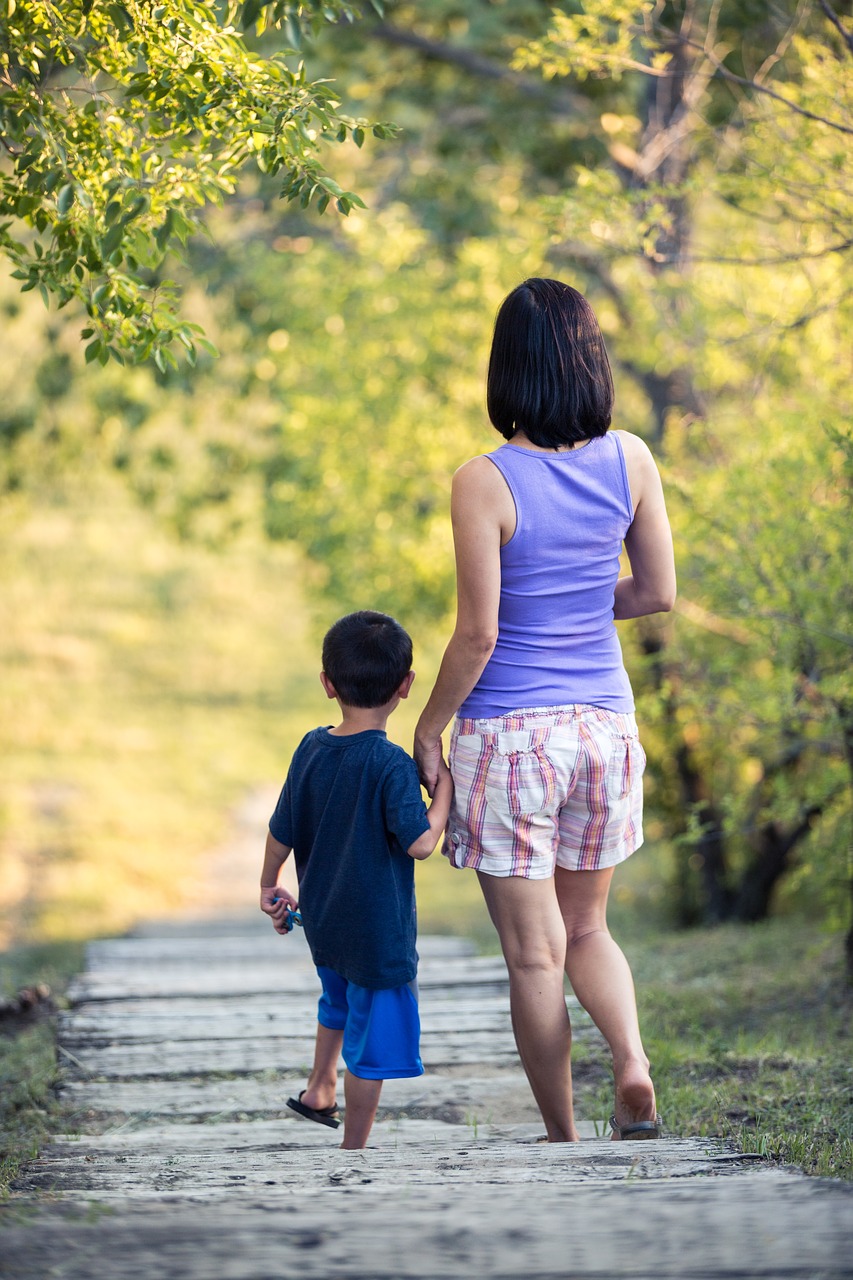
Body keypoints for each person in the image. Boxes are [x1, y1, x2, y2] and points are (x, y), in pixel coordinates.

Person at [413, 278, 676, 1143]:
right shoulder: (631, 458)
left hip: (512, 738)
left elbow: (479, 635)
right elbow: (656, 594)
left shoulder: (483, 480)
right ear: (588, 359)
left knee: (534, 956)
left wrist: (428, 728)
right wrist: (574, 600)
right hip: (604, 727)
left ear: (506, 370)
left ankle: (564, 1137)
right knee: (589, 927)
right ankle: (631, 1061)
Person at [261, 610, 453, 1150]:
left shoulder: (311, 747)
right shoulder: (391, 765)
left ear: (328, 684)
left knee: (337, 1000)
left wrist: (267, 883)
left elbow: (282, 829)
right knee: (372, 1043)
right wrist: (444, 794)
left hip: (324, 922)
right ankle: (354, 1150)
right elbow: (420, 842)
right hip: (376, 935)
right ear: (406, 686)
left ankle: (320, 1089)